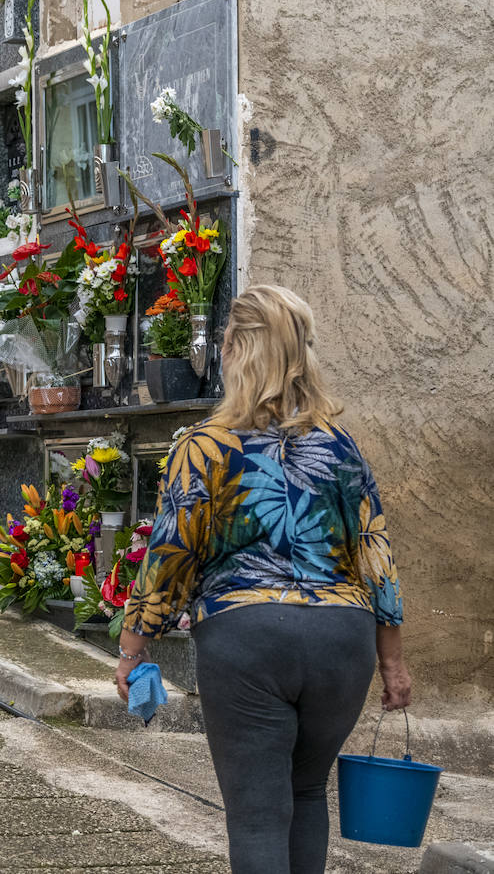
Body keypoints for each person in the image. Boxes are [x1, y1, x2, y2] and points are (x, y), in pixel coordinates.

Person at [117, 285, 411, 874]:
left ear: (233, 351)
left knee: (256, 815)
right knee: (306, 795)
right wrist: (394, 661)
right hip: (342, 642)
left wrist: (132, 646)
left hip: (247, 638)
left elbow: (171, 552)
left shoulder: (204, 446)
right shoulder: (340, 446)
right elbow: (376, 552)